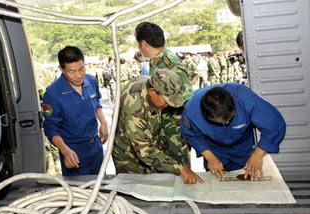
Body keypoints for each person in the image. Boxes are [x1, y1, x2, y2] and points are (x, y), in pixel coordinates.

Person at [112, 68, 203, 184]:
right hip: (128, 155)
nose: (168, 105)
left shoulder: (152, 85)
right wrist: (179, 169)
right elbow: (145, 151)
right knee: (136, 190)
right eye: (167, 101)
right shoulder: (134, 108)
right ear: (152, 91)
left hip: (147, 142)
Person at [181, 83, 286, 181]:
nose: (226, 123)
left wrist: (257, 155)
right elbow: (191, 135)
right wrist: (209, 157)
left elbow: (274, 125)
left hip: (243, 147)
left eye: (230, 119)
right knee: (217, 184)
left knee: (249, 182)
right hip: (214, 149)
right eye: (221, 122)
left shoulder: (244, 98)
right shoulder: (192, 111)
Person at [135, 21, 192, 171]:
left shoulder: (171, 63)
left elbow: (186, 98)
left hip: (174, 133)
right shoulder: (157, 62)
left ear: (144, 44)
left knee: (181, 174)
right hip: (162, 131)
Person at [43, 46, 108, 176]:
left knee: (101, 188)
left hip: (96, 148)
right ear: (62, 69)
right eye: (72, 71)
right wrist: (65, 151)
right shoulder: (52, 94)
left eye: (81, 69)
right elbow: (50, 128)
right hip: (73, 153)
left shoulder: (91, 81)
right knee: (79, 193)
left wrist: (104, 123)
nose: (79, 75)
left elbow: (97, 104)